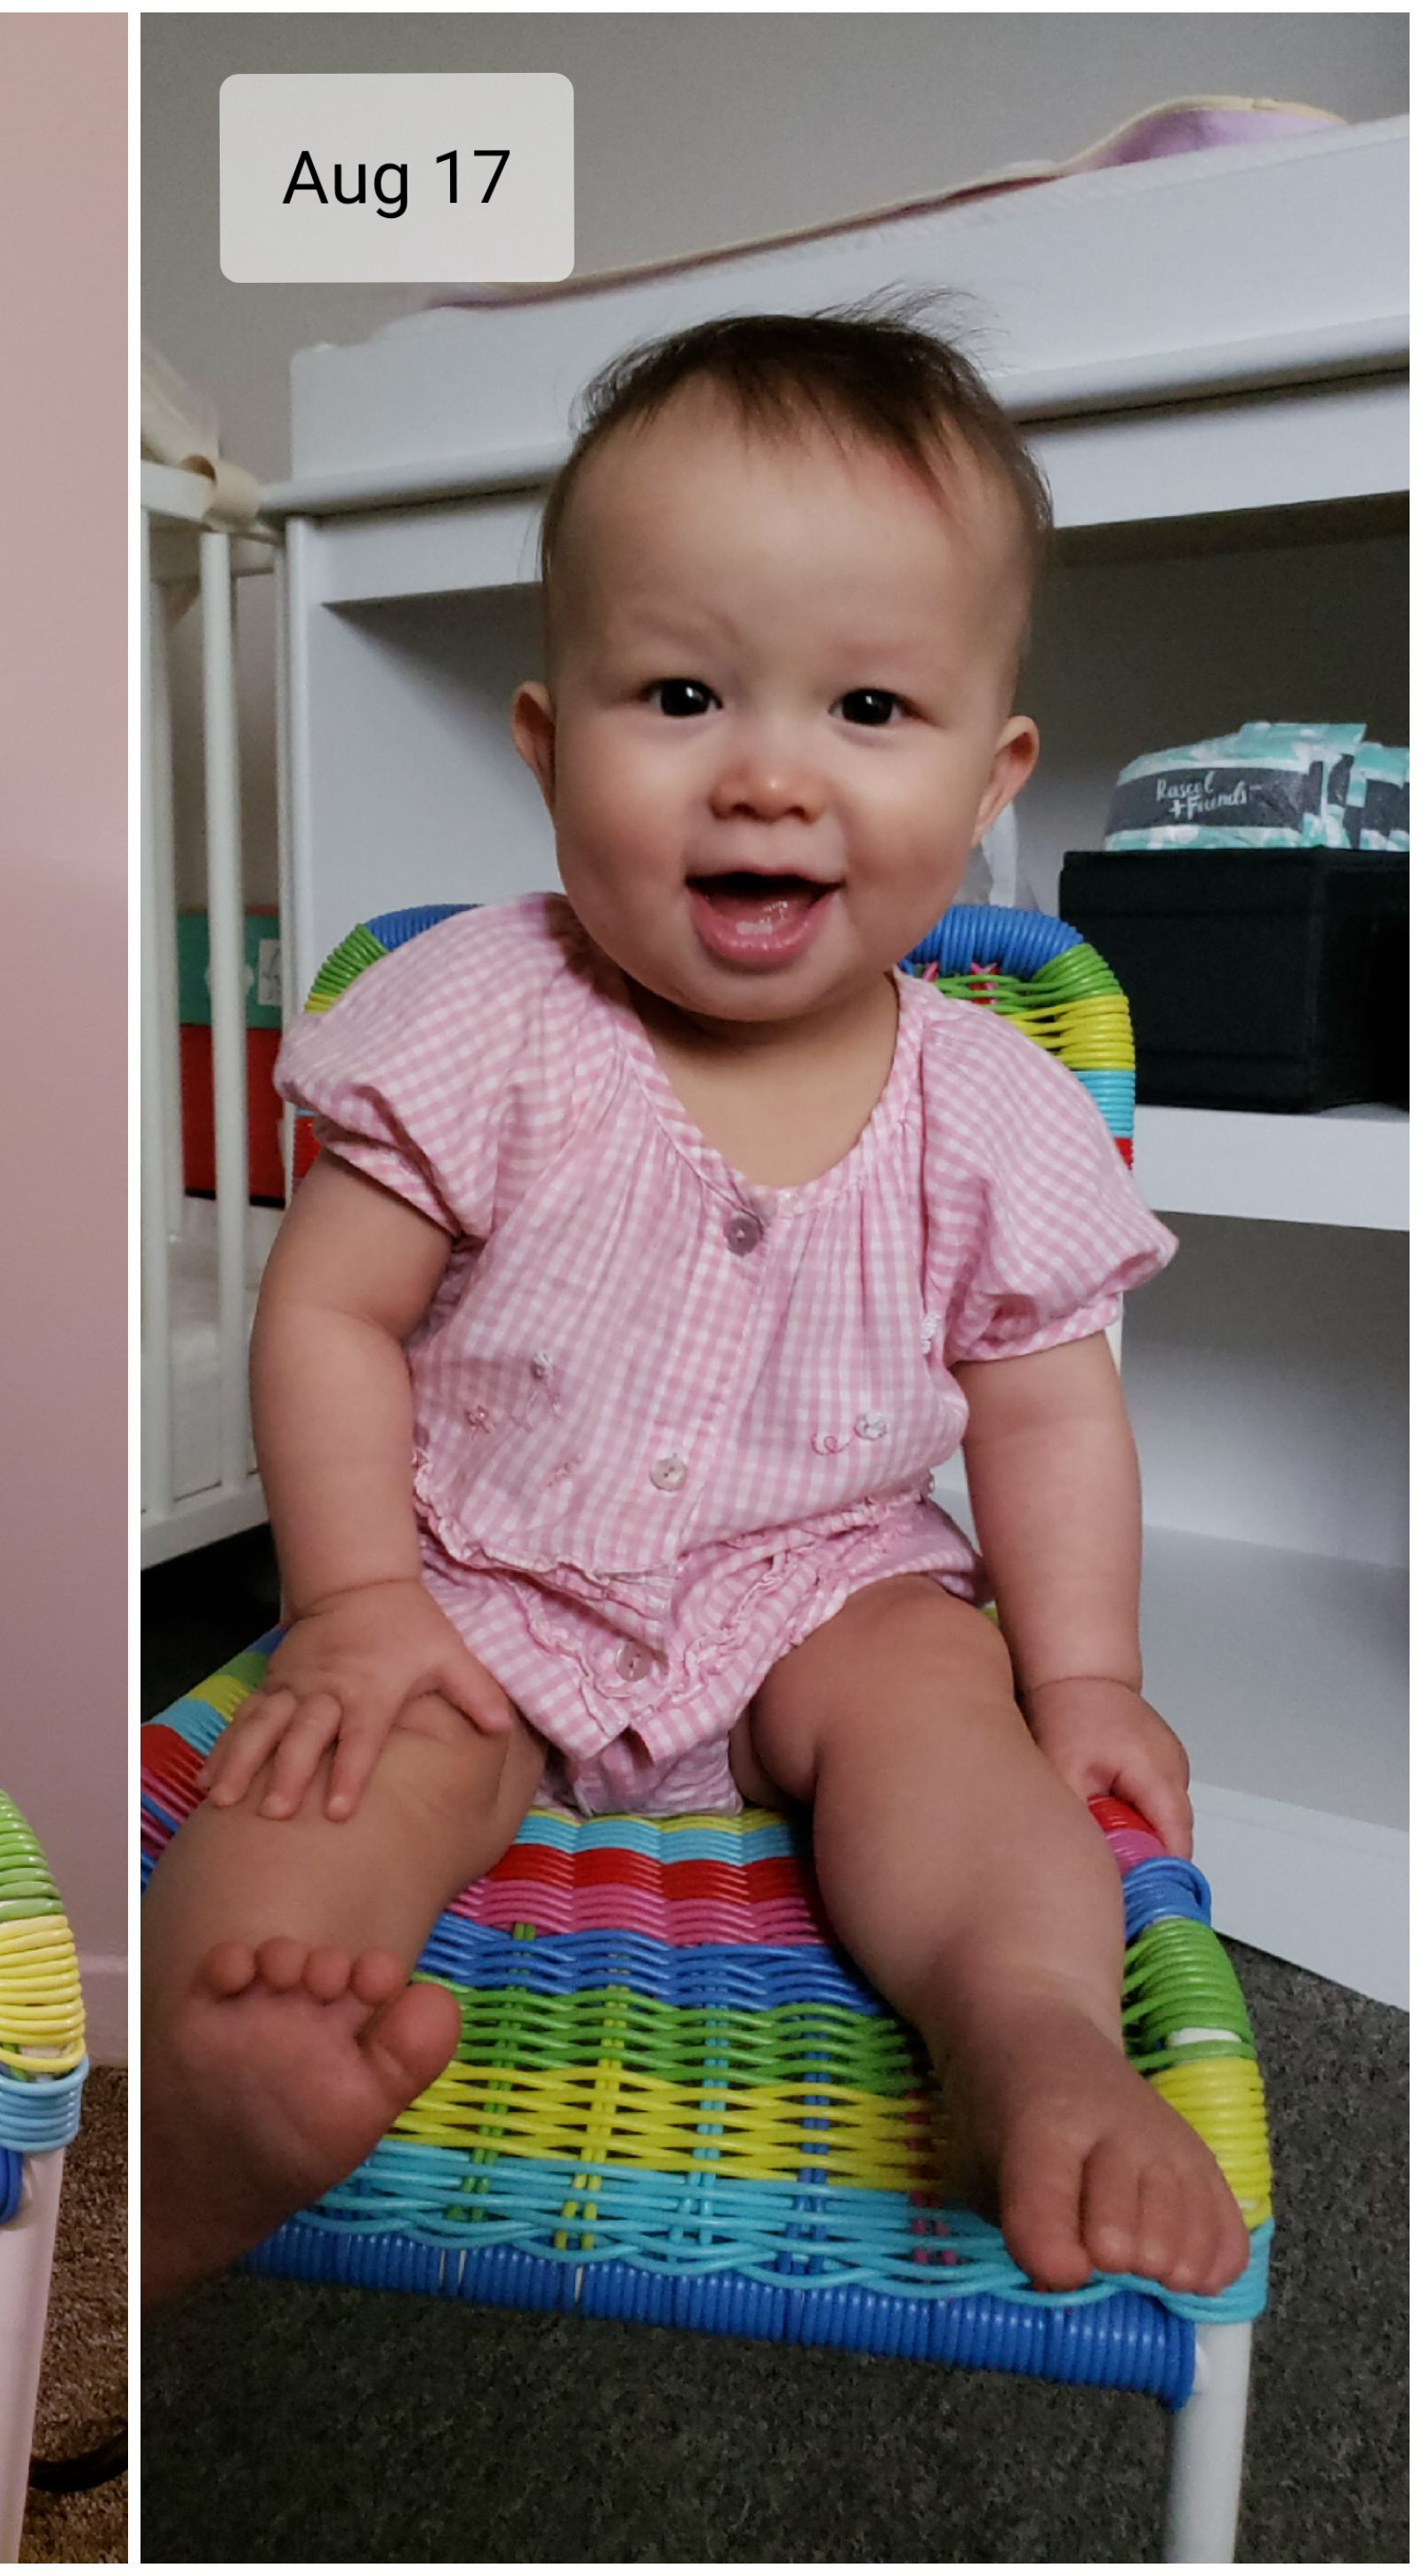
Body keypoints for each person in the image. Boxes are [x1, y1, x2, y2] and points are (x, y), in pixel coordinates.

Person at [142, 308, 1249, 2309]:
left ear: (991, 774)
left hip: (824, 1590)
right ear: (547, 739)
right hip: (482, 1572)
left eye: (865, 709)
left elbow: (1046, 1413)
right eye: (677, 691)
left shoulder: (986, 1099)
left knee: (948, 1742)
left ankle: (1026, 2039)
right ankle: (226, 2058)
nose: (763, 773)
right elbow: (325, 1315)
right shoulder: (477, 1016)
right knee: (330, 1771)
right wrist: (359, 1601)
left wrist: (1077, 1675)